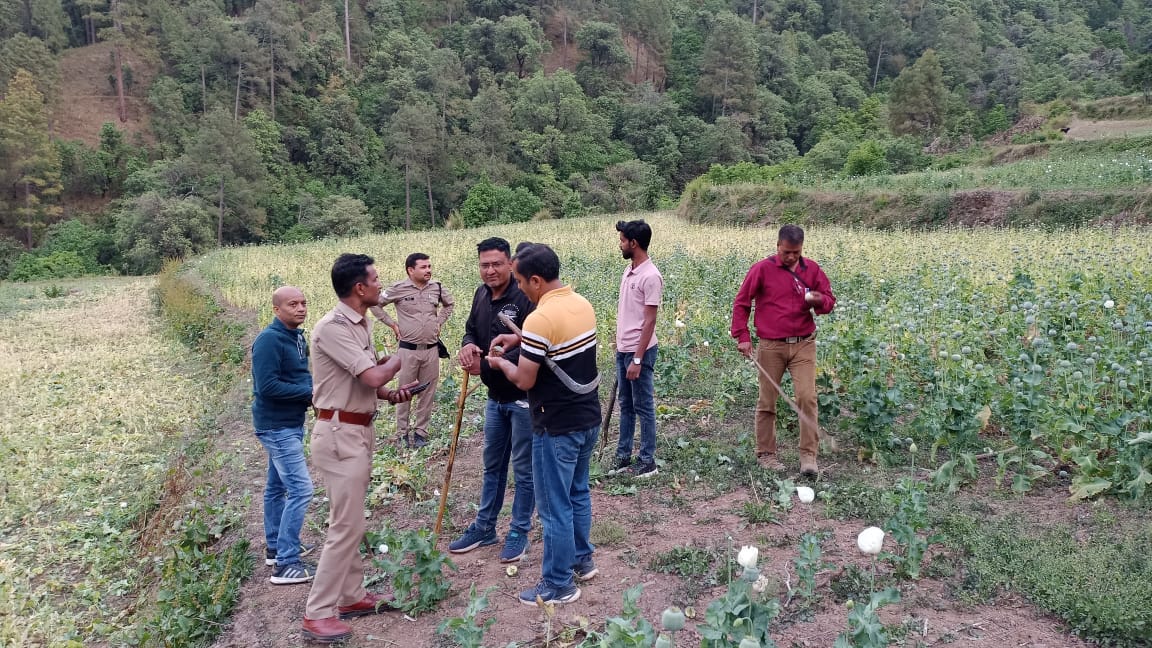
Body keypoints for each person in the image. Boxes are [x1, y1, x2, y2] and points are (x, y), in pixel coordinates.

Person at [301, 253, 416, 644]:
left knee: (348, 520)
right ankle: (317, 614)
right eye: (376, 280)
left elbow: (364, 383)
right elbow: (372, 374)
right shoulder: (332, 328)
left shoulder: (359, 323)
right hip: (339, 436)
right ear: (359, 287)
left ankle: (351, 596)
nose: (381, 285)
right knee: (345, 526)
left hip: (355, 431)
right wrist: (403, 354)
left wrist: (389, 394)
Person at [488, 244, 601, 607]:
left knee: (553, 507)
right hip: (587, 418)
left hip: (556, 425)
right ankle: (582, 560)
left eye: (521, 282)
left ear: (536, 280)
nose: (520, 289)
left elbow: (524, 379)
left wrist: (501, 363)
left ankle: (557, 583)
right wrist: (520, 339)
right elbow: (555, 343)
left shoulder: (539, 318)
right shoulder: (581, 303)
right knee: (577, 492)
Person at [449, 237, 536, 563]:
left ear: (510, 263)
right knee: (493, 465)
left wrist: (484, 365)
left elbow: (532, 348)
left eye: (497, 264)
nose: (490, 270)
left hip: (523, 398)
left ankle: (519, 531)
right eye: (484, 265)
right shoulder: (481, 294)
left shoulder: (525, 296)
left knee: (524, 470)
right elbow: (471, 330)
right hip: (495, 397)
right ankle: (485, 526)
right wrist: (468, 345)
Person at [731, 224, 836, 477]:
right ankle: (766, 454)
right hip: (771, 345)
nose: (790, 257)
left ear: (802, 249)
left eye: (796, 253)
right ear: (778, 245)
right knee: (767, 400)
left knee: (807, 397)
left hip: (803, 343)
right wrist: (742, 336)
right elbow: (742, 302)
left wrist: (819, 300)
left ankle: (808, 456)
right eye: (786, 252)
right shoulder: (762, 269)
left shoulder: (812, 270)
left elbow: (829, 301)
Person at [251, 286, 317, 585]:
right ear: (276, 309)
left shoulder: (296, 337)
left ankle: (275, 546)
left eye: (303, 303)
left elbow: (296, 376)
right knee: (301, 489)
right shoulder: (269, 340)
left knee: (276, 487)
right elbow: (267, 386)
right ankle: (286, 563)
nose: (301, 308)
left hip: (289, 422)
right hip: (276, 426)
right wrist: (310, 393)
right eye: (293, 304)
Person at [371, 253, 454, 449]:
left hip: (431, 350)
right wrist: (392, 324)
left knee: (428, 391)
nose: (428, 270)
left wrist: (439, 321)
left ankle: (420, 432)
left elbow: (449, 304)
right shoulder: (398, 288)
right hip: (407, 350)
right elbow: (375, 304)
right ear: (410, 270)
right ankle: (402, 433)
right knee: (404, 391)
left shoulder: (436, 287)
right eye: (423, 267)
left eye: (429, 266)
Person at [610, 220, 664, 478]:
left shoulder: (650, 276)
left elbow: (650, 321)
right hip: (624, 349)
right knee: (626, 405)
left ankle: (647, 460)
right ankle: (623, 456)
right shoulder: (630, 270)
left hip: (638, 352)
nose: (620, 244)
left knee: (643, 406)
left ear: (634, 243)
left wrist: (638, 359)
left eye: (623, 240)